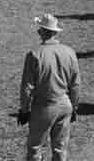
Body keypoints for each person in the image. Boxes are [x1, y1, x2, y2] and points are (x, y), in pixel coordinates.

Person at [18, 14, 80, 161]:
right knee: (60, 149)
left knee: (35, 148)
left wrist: (24, 110)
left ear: (43, 32)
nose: (38, 32)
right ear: (56, 32)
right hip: (65, 105)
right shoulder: (69, 52)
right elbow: (76, 84)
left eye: (40, 29)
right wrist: (74, 107)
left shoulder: (34, 54)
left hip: (44, 106)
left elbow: (27, 87)